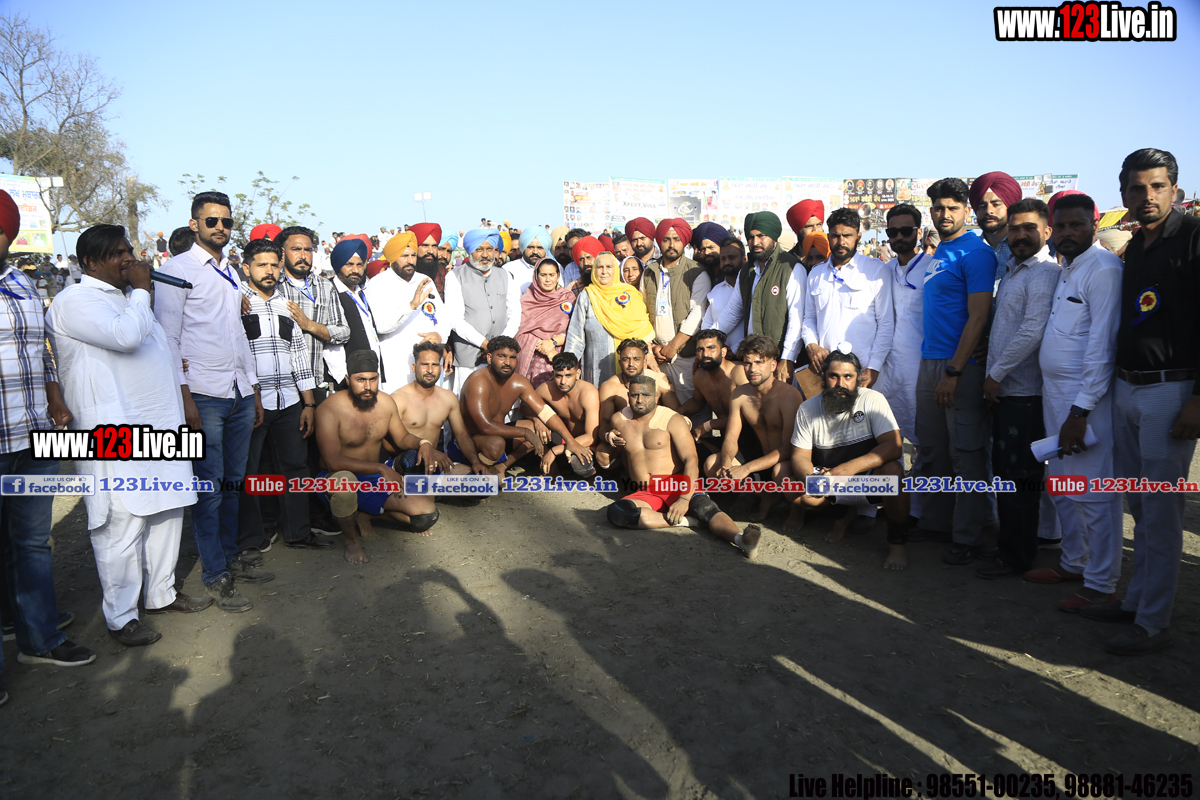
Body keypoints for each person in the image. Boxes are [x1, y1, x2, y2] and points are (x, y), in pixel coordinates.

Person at [1084, 148, 1200, 654]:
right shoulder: (1135, 248)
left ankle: (1152, 622)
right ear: (1124, 193)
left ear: (1174, 188)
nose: (1146, 196)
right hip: (1128, 388)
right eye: (1137, 188)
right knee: (1140, 504)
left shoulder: (1193, 239)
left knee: (1161, 510)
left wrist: (1198, 400)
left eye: (1156, 186)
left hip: (1171, 391)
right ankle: (1136, 602)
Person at [155, 191, 264, 612]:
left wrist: (253, 389)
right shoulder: (176, 270)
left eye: (226, 221)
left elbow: (237, 335)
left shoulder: (230, 271)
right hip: (202, 393)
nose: (220, 227)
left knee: (232, 485)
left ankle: (230, 559)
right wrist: (184, 398)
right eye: (212, 220)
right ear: (195, 224)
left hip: (237, 392)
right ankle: (215, 575)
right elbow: (168, 338)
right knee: (210, 489)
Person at [0, 190, 94, 677]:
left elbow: (41, 352)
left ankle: (39, 638)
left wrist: (55, 395)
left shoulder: (21, 282)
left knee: (32, 543)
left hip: (33, 434)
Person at [1025, 193, 1125, 613]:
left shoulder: (1103, 269)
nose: (1067, 233)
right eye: (1061, 225)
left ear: (1094, 225)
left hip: (1086, 399)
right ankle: (1073, 562)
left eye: (1076, 225)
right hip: (1055, 394)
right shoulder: (1068, 268)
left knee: (1095, 492)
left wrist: (1080, 411)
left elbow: (1103, 346)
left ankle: (1101, 584)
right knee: (1063, 484)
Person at [974, 199, 1059, 580]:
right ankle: (1011, 547)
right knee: (1008, 476)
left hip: (1024, 394)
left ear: (1047, 231)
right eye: (1015, 229)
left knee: (1019, 479)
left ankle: (1017, 556)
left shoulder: (1043, 273)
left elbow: (1032, 331)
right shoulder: (1013, 270)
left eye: (1029, 228)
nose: (1021, 235)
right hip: (1008, 392)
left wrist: (996, 374)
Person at [915, 178, 997, 564]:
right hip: (930, 361)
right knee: (933, 450)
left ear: (966, 210)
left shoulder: (976, 253)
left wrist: (954, 371)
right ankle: (937, 524)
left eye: (952, 208)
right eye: (938, 208)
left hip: (959, 367)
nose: (944, 214)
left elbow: (978, 316)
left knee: (967, 454)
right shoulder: (940, 251)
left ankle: (969, 537)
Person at [235, 237, 330, 559]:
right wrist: (251, 394)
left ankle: (298, 533)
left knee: (295, 468)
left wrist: (309, 403)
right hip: (252, 401)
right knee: (250, 471)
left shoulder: (287, 306)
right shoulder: (235, 302)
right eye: (261, 264)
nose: (269, 270)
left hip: (289, 401)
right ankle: (252, 538)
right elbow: (236, 354)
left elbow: (299, 356)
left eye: (274, 264)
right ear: (245, 268)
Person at [603, 374, 762, 559]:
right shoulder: (619, 420)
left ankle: (742, 540)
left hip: (677, 483)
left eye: (645, 395)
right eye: (634, 395)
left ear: (656, 396)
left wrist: (684, 499)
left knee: (706, 509)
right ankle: (689, 522)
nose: (639, 400)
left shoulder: (672, 419)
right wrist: (608, 436)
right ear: (628, 395)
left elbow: (691, 460)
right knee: (617, 512)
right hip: (646, 491)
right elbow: (608, 443)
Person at [790, 349, 912, 570]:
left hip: (868, 481)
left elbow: (894, 447)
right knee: (795, 488)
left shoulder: (873, 399)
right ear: (823, 376)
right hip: (831, 480)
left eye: (848, 377)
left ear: (858, 378)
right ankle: (841, 515)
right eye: (834, 376)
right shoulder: (807, 409)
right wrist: (812, 480)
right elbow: (799, 456)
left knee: (893, 473)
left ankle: (897, 543)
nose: (841, 384)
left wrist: (845, 470)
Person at [315, 350, 439, 565]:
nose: (368, 386)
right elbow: (332, 461)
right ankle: (352, 542)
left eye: (373, 379)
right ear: (348, 379)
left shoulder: (385, 402)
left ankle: (366, 515)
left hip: (372, 480)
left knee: (426, 516)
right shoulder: (330, 408)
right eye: (360, 380)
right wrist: (381, 468)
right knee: (344, 484)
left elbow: (402, 438)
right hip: (336, 476)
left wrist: (423, 443)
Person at [459, 336, 592, 476]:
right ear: (489, 358)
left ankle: (500, 468)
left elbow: (545, 413)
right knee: (497, 443)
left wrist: (571, 442)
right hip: (472, 441)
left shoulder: (518, 382)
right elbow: (485, 426)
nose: (507, 362)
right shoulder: (478, 381)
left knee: (536, 428)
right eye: (502, 356)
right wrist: (525, 433)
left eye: (512, 357)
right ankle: (477, 475)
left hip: (499, 435)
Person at [707, 335, 802, 525]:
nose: (752, 369)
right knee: (712, 464)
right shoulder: (740, 394)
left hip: (784, 462)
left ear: (773, 365)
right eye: (748, 363)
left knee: (780, 471)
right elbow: (731, 437)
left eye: (759, 362)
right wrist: (726, 463)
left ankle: (797, 509)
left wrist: (746, 468)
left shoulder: (789, 396)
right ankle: (766, 497)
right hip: (759, 459)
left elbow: (789, 448)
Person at [874, 204, 929, 527]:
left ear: (918, 233)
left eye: (905, 231)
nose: (899, 237)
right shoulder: (884, 270)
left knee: (921, 443)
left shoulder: (933, 268)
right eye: (892, 232)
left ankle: (917, 511)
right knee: (886, 439)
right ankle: (889, 503)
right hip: (887, 369)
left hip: (920, 369)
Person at [800, 207, 893, 389]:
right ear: (828, 237)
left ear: (858, 237)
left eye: (847, 236)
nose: (841, 242)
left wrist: (873, 368)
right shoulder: (816, 274)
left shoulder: (876, 270)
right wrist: (811, 344)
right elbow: (809, 318)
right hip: (826, 374)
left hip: (862, 373)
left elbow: (886, 323)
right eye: (835, 236)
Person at [714, 211, 805, 383]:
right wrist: (711, 338)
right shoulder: (747, 270)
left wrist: (787, 358)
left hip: (777, 359)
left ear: (773, 236)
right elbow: (733, 310)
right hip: (752, 361)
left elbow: (797, 318)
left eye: (761, 236)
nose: (755, 242)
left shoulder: (791, 268)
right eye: (750, 237)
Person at [367, 231, 453, 393]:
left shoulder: (425, 280)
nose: (410, 261)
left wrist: (440, 335)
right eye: (404, 256)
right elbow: (380, 326)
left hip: (428, 364)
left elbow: (444, 318)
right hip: (396, 365)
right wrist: (411, 306)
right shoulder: (378, 284)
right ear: (393, 258)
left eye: (413, 255)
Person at [390, 342, 487, 477]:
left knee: (478, 480)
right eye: (424, 364)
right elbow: (388, 443)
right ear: (414, 367)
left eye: (435, 365)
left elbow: (462, 435)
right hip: (405, 462)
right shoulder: (398, 399)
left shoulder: (448, 398)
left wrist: (475, 462)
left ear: (441, 368)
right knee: (412, 459)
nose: (430, 370)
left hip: (434, 461)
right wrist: (426, 449)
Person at [442, 229, 522, 394]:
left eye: (489, 249)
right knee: (470, 401)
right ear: (470, 250)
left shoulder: (506, 275)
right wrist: (486, 344)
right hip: (469, 358)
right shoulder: (455, 276)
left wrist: (500, 345)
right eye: (479, 249)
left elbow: (514, 315)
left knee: (500, 402)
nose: (485, 254)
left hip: (501, 356)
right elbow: (455, 319)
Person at [642, 218, 711, 403]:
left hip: (685, 355)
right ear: (659, 242)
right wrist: (652, 348)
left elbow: (697, 314)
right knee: (660, 409)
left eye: (676, 239)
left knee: (690, 406)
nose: (671, 244)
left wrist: (673, 347)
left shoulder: (696, 272)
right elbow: (642, 313)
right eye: (666, 239)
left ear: (684, 242)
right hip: (657, 356)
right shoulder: (649, 272)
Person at [564, 252, 657, 386]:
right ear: (594, 270)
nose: (604, 271)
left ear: (616, 270)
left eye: (609, 267)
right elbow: (575, 336)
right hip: (596, 367)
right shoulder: (587, 296)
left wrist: (648, 353)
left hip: (629, 366)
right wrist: (567, 366)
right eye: (600, 267)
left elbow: (642, 329)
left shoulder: (630, 294)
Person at [524, 352, 600, 477]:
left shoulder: (588, 393)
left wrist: (555, 451)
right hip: (562, 438)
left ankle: (591, 474)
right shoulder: (546, 389)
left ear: (578, 374)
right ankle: (552, 470)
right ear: (552, 374)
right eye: (559, 376)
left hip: (585, 442)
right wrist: (536, 420)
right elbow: (525, 406)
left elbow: (591, 437)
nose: (563, 381)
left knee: (580, 465)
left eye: (568, 375)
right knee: (531, 428)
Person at [324, 238, 385, 391]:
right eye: (349, 264)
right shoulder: (330, 292)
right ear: (338, 265)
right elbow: (331, 344)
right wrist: (342, 377)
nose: (355, 270)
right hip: (348, 381)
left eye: (359, 265)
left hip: (369, 376)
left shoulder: (361, 292)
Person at [675, 329, 748, 455]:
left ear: (723, 352)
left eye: (711, 348)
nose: (705, 354)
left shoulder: (738, 372)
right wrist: (675, 414)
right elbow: (697, 402)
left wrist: (709, 425)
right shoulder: (699, 376)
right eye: (700, 349)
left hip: (751, 436)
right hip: (726, 438)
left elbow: (749, 416)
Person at [515, 258, 574, 387]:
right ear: (536, 276)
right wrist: (545, 349)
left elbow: (575, 329)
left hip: (560, 357)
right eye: (543, 275)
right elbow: (520, 331)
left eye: (552, 275)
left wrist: (553, 343)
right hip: (533, 357)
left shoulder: (568, 298)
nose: (548, 279)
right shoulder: (527, 299)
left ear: (558, 275)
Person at [969, 171, 1022, 287]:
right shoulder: (968, 250)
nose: (988, 211)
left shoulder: (1024, 249)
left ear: (1010, 206)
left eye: (996, 204)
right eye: (982, 206)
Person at [700, 238, 746, 356]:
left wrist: (735, 349)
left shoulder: (751, 287)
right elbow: (707, 323)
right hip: (719, 356)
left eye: (732, 257)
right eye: (723, 259)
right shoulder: (716, 290)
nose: (726, 262)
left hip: (745, 356)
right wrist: (715, 346)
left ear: (744, 259)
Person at [510, 226, 554, 294]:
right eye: (530, 247)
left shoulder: (556, 268)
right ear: (523, 248)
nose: (535, 252)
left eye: (540, 248)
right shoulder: (509, 269)